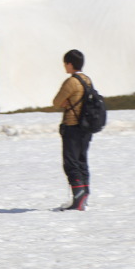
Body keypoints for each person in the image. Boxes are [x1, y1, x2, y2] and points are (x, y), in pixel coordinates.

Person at [52, 49, 94, 211]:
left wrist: (66, 103)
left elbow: (56, 101)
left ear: (70, 64)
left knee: (71, 162)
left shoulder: (71, 82)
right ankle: (84, 194)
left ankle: (78, 198)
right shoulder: (87, 80)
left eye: (65, 63)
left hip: (72, 126)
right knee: (82, 161)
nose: (64, 66)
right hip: (86, 128)